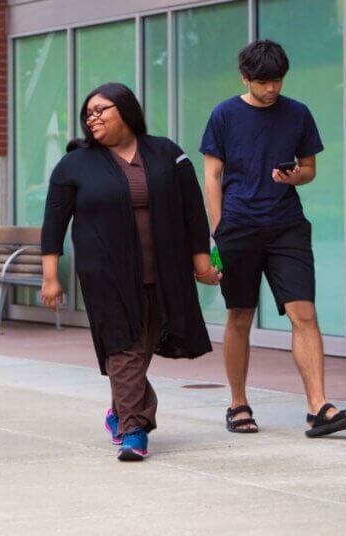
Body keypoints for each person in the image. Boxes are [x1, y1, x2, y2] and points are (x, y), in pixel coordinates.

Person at [40, 83, 219, 462]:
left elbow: (192, 210)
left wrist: (201, 260)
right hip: (104, 272)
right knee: (123, 346)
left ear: (126, 110)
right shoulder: (75, 164)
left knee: (140, 348)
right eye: (88, 113)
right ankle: (134, 429)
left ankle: (118, 411)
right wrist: (51, 275)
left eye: (101, 109)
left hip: (162, 271)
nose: (93, 118)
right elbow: (54, 223)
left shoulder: (166, 153)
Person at [200, 40, 346, 437]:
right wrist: (219, 230)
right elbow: (211, 176)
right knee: (240, 315)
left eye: (276, 81)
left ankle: (318, 408)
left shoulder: (298, 114)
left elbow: (309, 169)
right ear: (245, 78)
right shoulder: (224, 115)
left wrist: (296, 176)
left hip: (286, 224)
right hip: (238, 227)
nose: (271, 89)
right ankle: (238, 403)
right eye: (262, 82)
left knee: (304, 314)